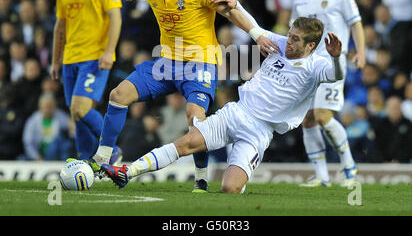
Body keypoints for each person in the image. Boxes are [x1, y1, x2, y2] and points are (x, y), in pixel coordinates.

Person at [83, 0, 278, 193]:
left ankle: (201, 179)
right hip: (167, 63)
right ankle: (102, 159)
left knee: (194, 118)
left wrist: (257, 35)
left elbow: (228, 10)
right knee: (118, 95)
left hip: (201, 63)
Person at [100, 12, 344, 194]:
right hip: (237, 112)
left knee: (229, 189)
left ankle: (240, 178)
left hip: (260, 131)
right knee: (187, 142)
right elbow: (253, 26)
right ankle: (127, 172)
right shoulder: (278, 44)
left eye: (295, 40)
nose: (288, 42)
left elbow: (336, 75)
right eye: (289, 35)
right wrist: (231, 4)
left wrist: (335, 58)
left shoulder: (317, 66)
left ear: (311, 46)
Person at [290, 0, 366, 187]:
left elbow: (356, 23)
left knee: (323, 116)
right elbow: (293, 32)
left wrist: (361, 51)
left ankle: (349, 168)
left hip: (333, 61)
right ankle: (321, 176)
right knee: (308, 119)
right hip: (307, 65)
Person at [50, 0, 123, 162]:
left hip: (94, 56)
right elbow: (60, 27)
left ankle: (111, 150)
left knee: (80, 108)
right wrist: (55, 60)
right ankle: (87, 158)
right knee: (76, 112)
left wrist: (109, 51)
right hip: (70, 58)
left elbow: (116, 18)